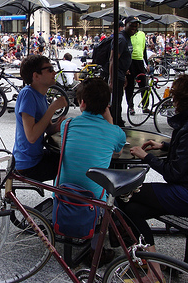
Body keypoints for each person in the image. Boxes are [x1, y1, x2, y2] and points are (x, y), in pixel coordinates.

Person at [123, 75, 188, 264]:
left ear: (182, 99)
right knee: (133, 209)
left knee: (125, 193)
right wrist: (165, 146)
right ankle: (150, 264)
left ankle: (143, 257)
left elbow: (172, 173)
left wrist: (147, 157)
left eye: (174, 94)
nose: (171, 98)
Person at [59, 78, 125, 264]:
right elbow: (118, 151)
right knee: (111, 195)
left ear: (82, 103)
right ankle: (97, 249)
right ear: (107, 105)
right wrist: (108, 115)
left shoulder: (67, 125)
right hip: (94, 197)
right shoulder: (115, 132)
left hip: (63, 189)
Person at [13, 55, 68, 182]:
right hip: (27, 165)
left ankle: (61, 200)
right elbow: (31, 136)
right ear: (36, 76)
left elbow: (47, 129)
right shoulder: (28, 94)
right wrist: (53, 108)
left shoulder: (41, 95)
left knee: (70, 159)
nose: (54, 72)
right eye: (49, 69)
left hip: (36, 157)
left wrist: (58, 125)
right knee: (70, 167)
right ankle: (62, 201)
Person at [109, 17, 138, 127]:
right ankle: (115, 123)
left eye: (135, 27)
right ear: (125, 25)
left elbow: (123, 58)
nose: (134, 28)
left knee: (118, 100)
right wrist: (112, 80)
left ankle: (117, 120)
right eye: (131, 26)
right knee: (116, 101)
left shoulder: (127, 38)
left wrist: (125, 72)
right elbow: (113, 60)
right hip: (116, 75)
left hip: (121, 73)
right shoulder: (121, 39)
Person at [126, 28, 148, 115]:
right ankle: (130, 107)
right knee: (130, 86)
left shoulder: (142, 34)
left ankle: (145, 106)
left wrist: (147, 63)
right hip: (130, 61)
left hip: (139, 61)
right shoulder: (128, 35)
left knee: (144, 85)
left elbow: (144, 49)